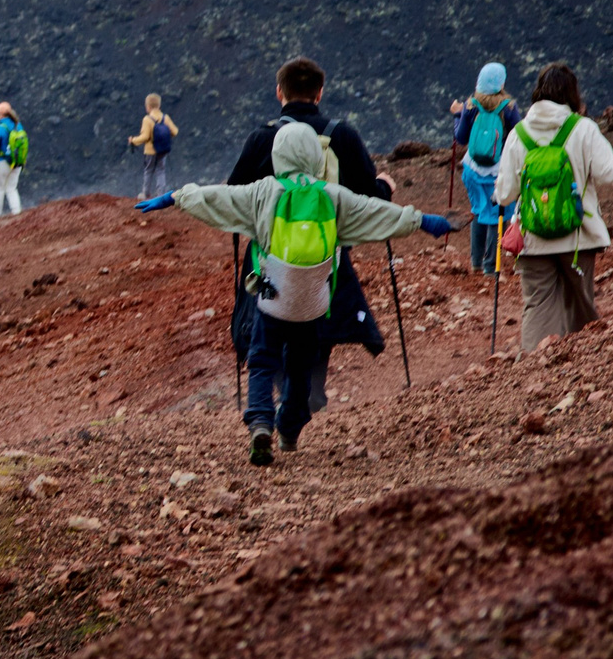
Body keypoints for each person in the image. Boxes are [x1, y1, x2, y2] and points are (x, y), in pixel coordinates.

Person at [147, 122, 451, 464]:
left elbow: (216, 197)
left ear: (279, 155)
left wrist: (175, 197)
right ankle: (289, 429)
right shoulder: (333, 195)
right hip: (314, 303)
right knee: (301, 368)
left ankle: (261, 422)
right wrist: (423, 221)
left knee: (262, 362)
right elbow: (377, 212)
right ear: (314, 157)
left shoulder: (263, 192)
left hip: (273, 297)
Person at [494, 64, 613, 354]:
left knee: (537, 305)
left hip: (533, 239)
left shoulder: (518, 134)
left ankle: (534, 367)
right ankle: (583, 365)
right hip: (578, 238)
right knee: (580, 303)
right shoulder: (583, 128)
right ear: (572, 94)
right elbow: (612, 174)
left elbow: (504, 194)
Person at [225, 56, 395, 198]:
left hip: (272, 238)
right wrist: (384, 186)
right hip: (329, 237)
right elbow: (370, 197)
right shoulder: (344, 135)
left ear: (279, 92)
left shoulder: (262, 138)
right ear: (319, 94)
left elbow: (234, 195)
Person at [447, 63, 522, 276]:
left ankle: (476, 263)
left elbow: (460, 138)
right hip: (497, 171)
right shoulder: (508, 107)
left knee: (479, 211)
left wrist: (457, 116)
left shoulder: (470, 106)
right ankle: (491, 268)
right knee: (497, 216)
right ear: (501, 83)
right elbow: (518, 135)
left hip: (472, 170)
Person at [128, 94, 178, 199]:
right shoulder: (165, 118)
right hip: (163, 150)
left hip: (150, 151)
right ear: (159, 106)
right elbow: (175, 131)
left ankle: (145, 193)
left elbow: (145, 137)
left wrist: (133, 141)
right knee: (161, 171)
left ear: (148, 107)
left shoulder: (147, 119)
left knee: (148, 170)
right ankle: (161, 194)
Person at [0, 102, 26, 217]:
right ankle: (17, 211)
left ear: (0, 115)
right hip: (17, 162)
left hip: (2, 163)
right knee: (11, 188)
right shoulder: (18, 126)